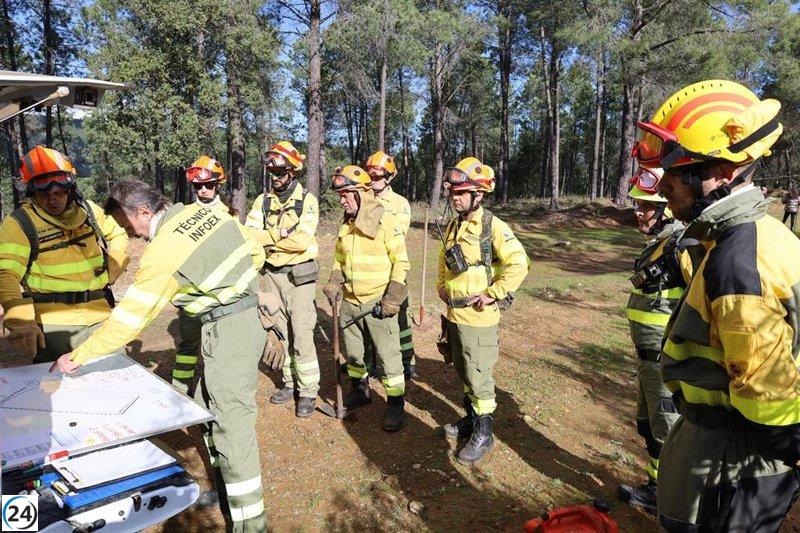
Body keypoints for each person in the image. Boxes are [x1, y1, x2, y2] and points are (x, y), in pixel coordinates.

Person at [50, 180, 271, 532]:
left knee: (232, 426)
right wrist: (232, 287)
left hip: (228, 328)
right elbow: (255, 252)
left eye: (128, 225)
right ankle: (230, 498)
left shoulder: (164, 251)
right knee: (208, 405)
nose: (132, 235)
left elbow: (130, 320)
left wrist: (80, 355)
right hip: (241, 317)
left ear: (144, 212)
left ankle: (251, 525)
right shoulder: (205, 212)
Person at [633, 79, 800, 530]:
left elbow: (770, 403)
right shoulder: (755, 237)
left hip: (730, 461)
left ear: (724, 172)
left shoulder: (737, 262)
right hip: (728, 450)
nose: (663, 186)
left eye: (678, 171)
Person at [436, 157, 529, 465]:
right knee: (463, 371)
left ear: (479, 194)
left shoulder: (492, 226)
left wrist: (494, 293)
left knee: (479, 376)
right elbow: (443, 260)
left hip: (478, 319)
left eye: (462, 192)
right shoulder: (454, 224)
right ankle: (471, 419)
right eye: (454, 191)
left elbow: (519, 263)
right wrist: (440, 286)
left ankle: (484, 433)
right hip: (454, 316)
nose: (455, 196)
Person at [0, 145, 129, 363]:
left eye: (58, 192)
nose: (52, 199)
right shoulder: (19, 224)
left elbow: (118, 233)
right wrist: (21, 321)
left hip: (101, 315)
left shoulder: (88, 211)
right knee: (61, 390)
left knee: (119, 379)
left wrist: (113, 268)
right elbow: (6, 274)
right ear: (32, 193)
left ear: (70, 190)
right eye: (44, 194)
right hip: (54, 325)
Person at [617, 167, 695, 515]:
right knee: (650, 426)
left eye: (647, 206)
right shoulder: (659, 242)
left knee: (669, 430)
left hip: (666, 362)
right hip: (648, 360)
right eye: (637, 205)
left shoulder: (682, 243)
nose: (639, 212)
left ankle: (674, 502)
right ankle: (656, 487)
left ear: (666, 206)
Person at [323, 165, 410, 431]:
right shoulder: (346, 225)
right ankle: (359, 391)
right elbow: (339, 259)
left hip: (377, 302)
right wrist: (334, 280)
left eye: (347, 193)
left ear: (363, 193)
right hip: (349, 302)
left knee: (388, 356)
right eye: (341, 194)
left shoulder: (386, 221)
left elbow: (401, 262)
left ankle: (396, 403)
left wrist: (393, 298)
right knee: (355, 354)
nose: (342, 199)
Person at [244, 141, 320, 417]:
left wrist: (268, 241)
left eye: (281, 173)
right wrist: (279, 237)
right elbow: (249, 234)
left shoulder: (307, 201)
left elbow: (302, 240)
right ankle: (290, 383)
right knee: (282, 332)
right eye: (272, 173)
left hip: (299, 277)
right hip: (272, 276)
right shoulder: (262, 201)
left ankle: (309, 391)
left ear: (293, 172)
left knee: (301, 334)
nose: (276, 178)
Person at [171, 155, 230, 394]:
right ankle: (179, 390)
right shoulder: (183, 215)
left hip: (218, 295)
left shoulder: (229, 215)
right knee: (188, 346)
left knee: (217, 348)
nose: (203, 190)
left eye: (208, 185)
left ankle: (213, 393)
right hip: (191, 294)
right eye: (198, 186)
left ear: (217, 185)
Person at [365, 150, 416, 379]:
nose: (372, 181)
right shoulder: (363, 198)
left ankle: (406, 361)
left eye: (377, 177)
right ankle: (370, 362)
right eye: (370, 176)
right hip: (369, 270)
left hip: (393, 268)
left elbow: (396, 233)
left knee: (399, 317)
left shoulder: (399, 204)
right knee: (368, 315)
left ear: (389, 177)